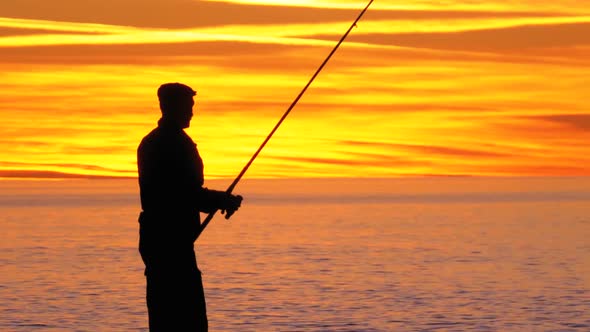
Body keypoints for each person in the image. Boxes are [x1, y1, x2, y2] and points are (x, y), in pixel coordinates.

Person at [137, 82, 243, 331]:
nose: (192, 112)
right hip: (168, 241)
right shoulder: (167, 144)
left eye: (192, 106)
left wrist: (218, 201)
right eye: (187, 106)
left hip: (168, 240)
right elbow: (179, 194)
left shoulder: (164, 142)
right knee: (183, 318)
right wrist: (220, 200)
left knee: (172, 316)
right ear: (169, 106)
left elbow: (183, 193)